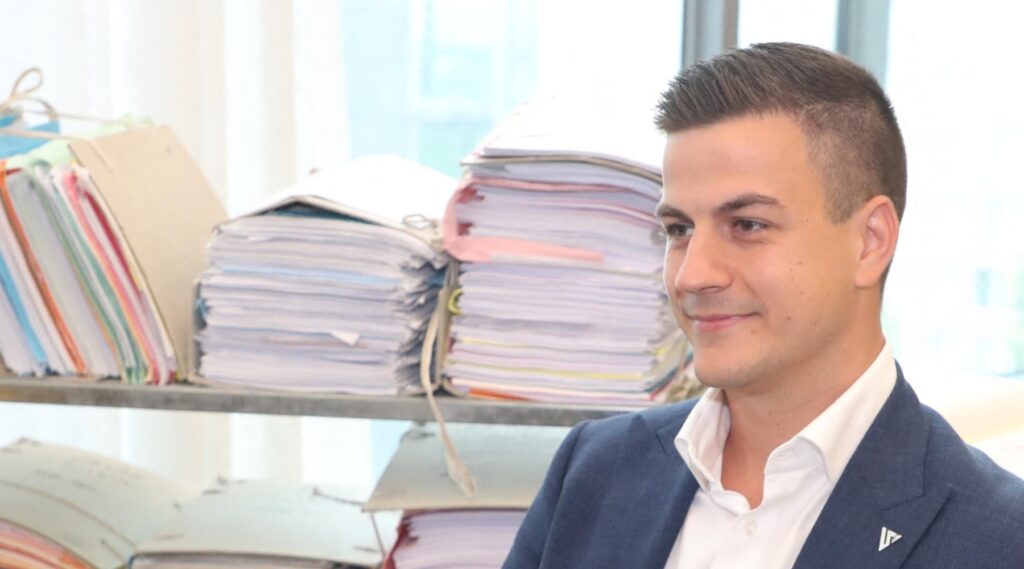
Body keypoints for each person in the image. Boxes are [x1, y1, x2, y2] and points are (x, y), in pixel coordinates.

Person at [502, 42, 1024, 569]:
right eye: (679, 229)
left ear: (870, 241)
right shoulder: (593, 471)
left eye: (747, 225)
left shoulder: (1000, 537)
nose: (692, 275)